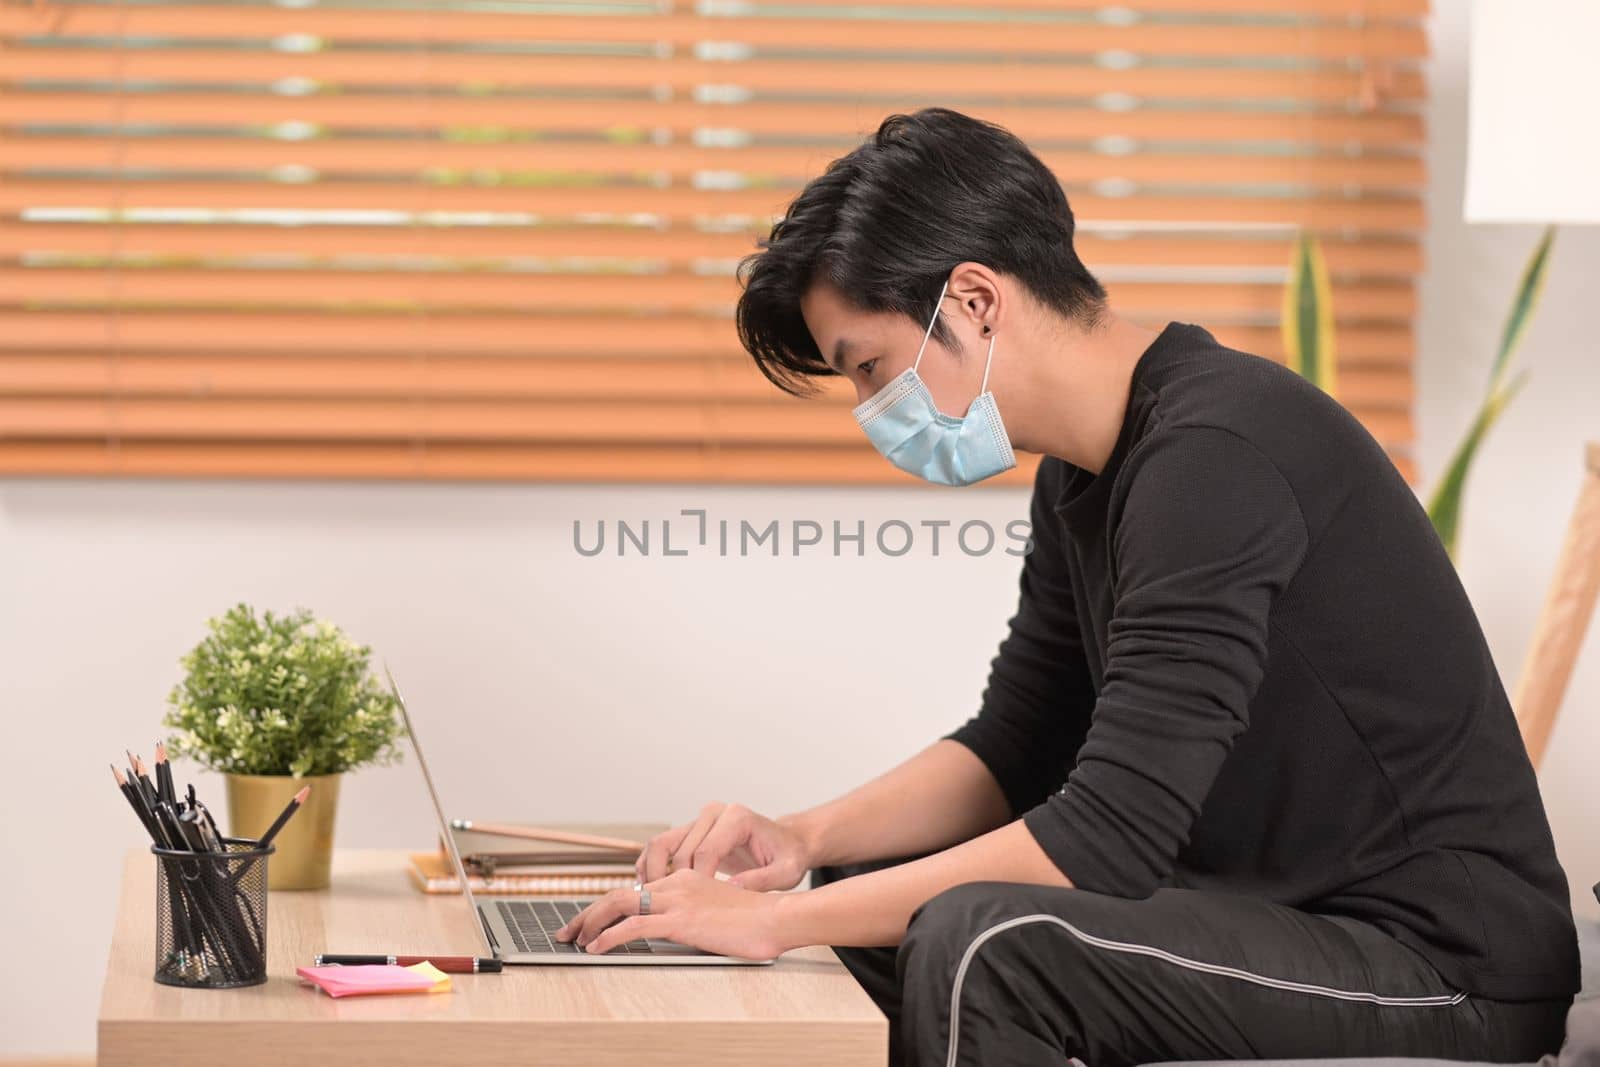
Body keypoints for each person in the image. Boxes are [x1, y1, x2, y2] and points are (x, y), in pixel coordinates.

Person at [554, 107, 1579, 1067]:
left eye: (868, 367)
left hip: (1443, 962)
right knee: (869, 889)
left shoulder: (1216, 452)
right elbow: (1016, 745)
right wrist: (800, 840)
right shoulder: (1082, 472)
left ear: (974, 299)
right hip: (1289, 917)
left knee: (981, 937)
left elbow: (1107, 832)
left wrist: (769, 918)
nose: (869, 408)